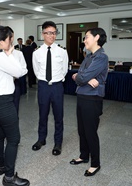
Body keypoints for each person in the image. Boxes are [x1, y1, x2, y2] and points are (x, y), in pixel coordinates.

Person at [0, 26, 29, 186]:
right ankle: (9, 177)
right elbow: (20, 72)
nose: (12, 42)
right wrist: (9, 54)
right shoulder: (0, 55)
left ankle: (0, 166)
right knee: (14, 138)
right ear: (2, 41)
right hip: (2, 102)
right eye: (10, 39)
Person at [70, 27, 108, 177]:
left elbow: (80, 77)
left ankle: (95, 163)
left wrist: (81, 77)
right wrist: (82, 77)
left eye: (86, 37)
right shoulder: (88, 56)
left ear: (96, 37)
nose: (84, 40)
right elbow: (80, 75)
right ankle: (84, 155)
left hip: (92, 99)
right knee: (81, 130)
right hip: (82, 96)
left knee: (90, 132)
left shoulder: (101, 57)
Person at [32, 21, 68, 156]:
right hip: (43, 87)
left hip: (57, 87)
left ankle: (58, 143)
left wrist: (56, 80)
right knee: (43, 115)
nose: (52, 36)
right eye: (49, 33)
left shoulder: (62, 51)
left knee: (59, 116)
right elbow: (36, 70)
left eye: (54, 33)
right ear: (43, 34)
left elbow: (64, 70)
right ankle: (41, 139)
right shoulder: (37, 53)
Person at [7, 27, 27, 115]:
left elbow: (24, 69)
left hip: (15, 83)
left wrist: (16, 75)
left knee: (15, 107)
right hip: (0, 85)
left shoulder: (18, 53)